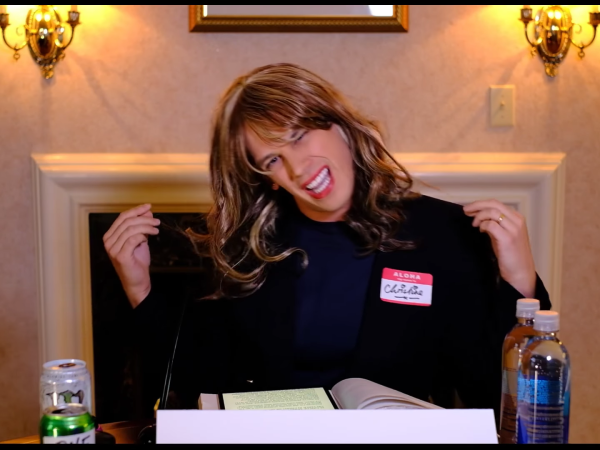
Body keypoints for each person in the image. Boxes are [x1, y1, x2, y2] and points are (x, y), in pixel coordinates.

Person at [103, 62, 550, 420]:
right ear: (268, 178)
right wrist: (139, 288)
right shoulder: (247, 251)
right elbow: (196, 386)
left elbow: (492, 393)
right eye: (273, 159)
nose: (298, 169)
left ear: (338, 125)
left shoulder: (443, 232)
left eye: (299, 137)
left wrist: (519, 282)